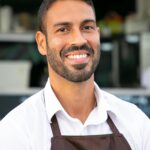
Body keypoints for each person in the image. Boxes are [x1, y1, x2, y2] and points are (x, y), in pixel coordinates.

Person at [0, 0, 150, 149]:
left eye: (87, 27)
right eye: (63, 29)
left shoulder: (136, 122)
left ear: (97, 34)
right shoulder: (16, 131)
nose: (79, 40)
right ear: (41, 43)